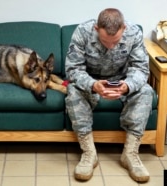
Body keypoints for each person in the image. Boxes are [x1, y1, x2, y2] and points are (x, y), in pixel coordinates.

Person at [65, 8, 153, 182]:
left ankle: (130, 154)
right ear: (97, 29)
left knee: (146, 91)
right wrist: (92, 85)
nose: (111, 46)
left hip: (123, 83)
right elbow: (73, 69)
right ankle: (89, 153)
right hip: (91, 84)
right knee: (73, 90)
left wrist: (128, 85)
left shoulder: (134, 33)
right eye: (106, 41)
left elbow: (141, 69)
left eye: (115, 42)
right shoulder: (82, 32)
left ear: (124, 28)